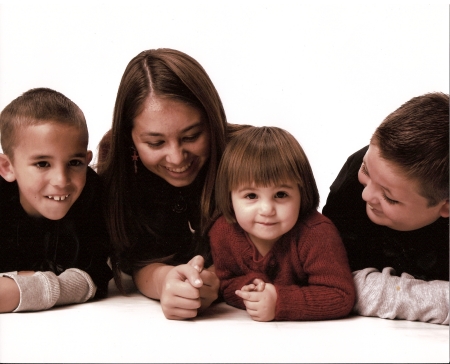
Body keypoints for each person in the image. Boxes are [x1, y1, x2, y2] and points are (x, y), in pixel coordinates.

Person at [98, 48, 249, 320]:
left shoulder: (247, 154)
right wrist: (165, 280)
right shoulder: (117, 162)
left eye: (191, 136)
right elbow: (137, 257)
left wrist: (215, 278)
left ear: (212, 121)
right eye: (155, 143)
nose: (177, 158)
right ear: (129, 138)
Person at [322, 92, 449, 325]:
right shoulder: (352, 185)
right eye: (366, 171)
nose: (366, 195)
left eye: (389, 198)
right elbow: (331, 281)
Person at [209, 126, 355, 322]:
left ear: (302, 193)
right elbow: (226, 283)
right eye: (251, 195)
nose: (267, 209)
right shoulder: (223, 231)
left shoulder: (317, 234)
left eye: (281, 195)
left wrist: (279, 301)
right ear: (229, 197)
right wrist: (251, 288)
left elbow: (340, 296)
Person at [0, 88, 112, 313]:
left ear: (87, 160)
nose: (61, 181)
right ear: (7, 167)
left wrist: (23, 289)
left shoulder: (93, 195)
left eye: (74, 163)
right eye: (42, 164)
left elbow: (94, 276)